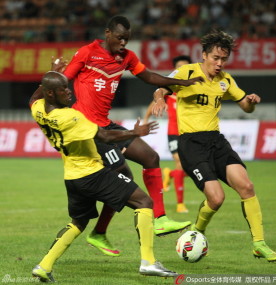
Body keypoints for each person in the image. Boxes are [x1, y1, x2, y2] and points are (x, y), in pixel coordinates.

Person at [63, 15, 202, 256]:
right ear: (107, 33)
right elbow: (63, 80)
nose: (123, 43)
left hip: (107, 124)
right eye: (119, 38)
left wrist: (183, 82)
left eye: (127, 39)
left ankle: (159, 219)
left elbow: (149, 77)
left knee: (151, 157)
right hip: (89, 130)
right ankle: (99, 232)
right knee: (123, 178)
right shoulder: (87, 53)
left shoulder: (126, 58)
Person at [30, 68, 178, 282]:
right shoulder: (70, 117)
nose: (69, 92)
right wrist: (135, 132)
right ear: (51, 93)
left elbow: (34, 97)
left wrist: (53, 72)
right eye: (63, 89)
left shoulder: (39, 110)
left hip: (72, 177)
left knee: (78, 223)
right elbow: (105, 136)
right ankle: (148, 262)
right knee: (144, 202)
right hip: (93, 174)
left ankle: (43, 266)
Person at [151, 30, 276, 262]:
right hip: (191, 144)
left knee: (247, 187)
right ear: (204, 56)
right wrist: (160, 97)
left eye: (224, 59)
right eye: (215, 58)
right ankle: (198, 231)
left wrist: (250, 102)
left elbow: (245, 107)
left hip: (216, 141)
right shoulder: (187, 72)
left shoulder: (226, 80)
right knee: (216, 198)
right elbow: (161, 86)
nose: (220, 64)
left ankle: (259, 243)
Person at [143, 55, 192, 214]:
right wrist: (145, 119)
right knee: (180, 164)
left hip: (191, 132)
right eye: (179, 67)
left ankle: (169, 174)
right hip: (174, 133)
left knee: (190, 169)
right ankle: (180, 204)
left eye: (185, 66)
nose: (181, 70)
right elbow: (154, 102)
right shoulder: (170, 88)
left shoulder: (193, 88)